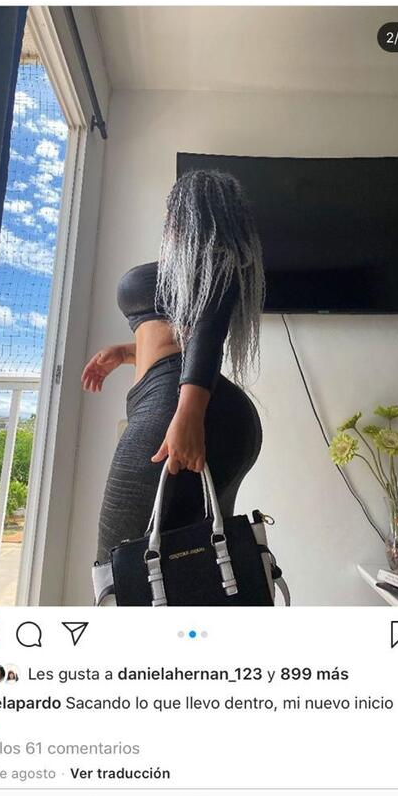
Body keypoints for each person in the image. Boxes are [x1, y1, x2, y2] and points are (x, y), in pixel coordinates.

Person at [82, 169, 265, 605]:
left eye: (173, 209)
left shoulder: (215, 257)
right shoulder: (194, 268)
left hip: (180, 404)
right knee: (197, 567)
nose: (168, 218)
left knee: (119, 564)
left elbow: (207, 330)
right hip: (200, 405)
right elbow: (176, 337)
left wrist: (188, 414)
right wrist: (126, 353)